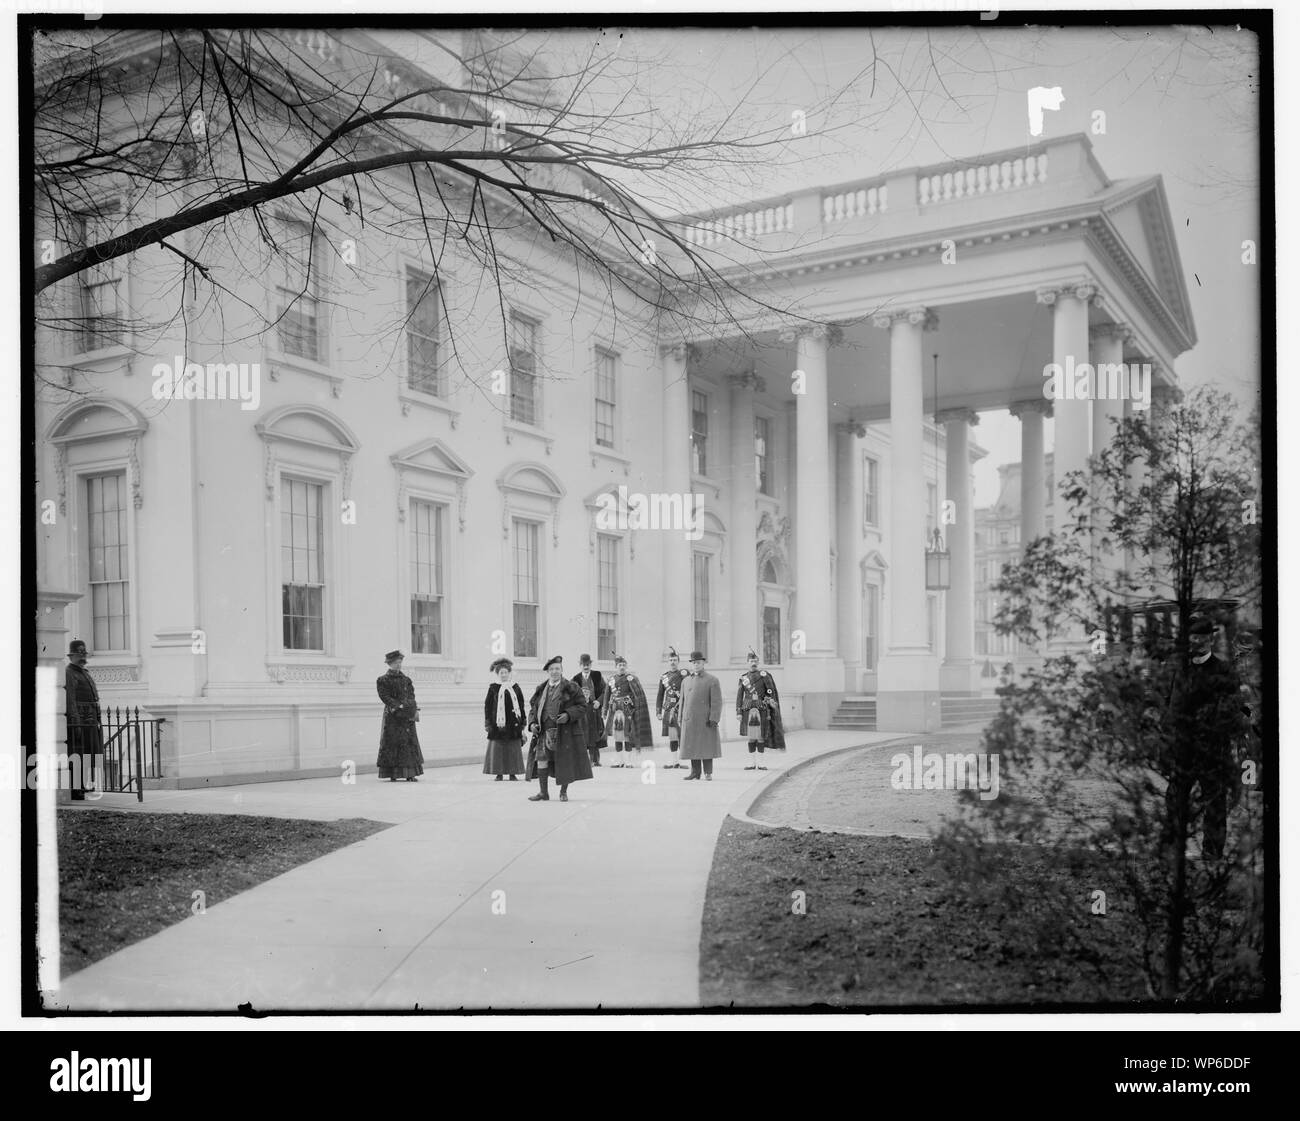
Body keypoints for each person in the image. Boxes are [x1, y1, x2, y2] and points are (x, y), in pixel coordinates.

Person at [1166, 617, 1247, 860]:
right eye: (1193, 638)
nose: (1197, 643)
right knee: (1174, 798)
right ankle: (1174, 850)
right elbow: (1173, 707)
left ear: (1211, 639)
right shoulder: (1182, 670)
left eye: (1202, 638)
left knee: (1214, 802)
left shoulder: (1225, 671)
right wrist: (1173, 738)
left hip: (1212, 749)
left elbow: (1233, 709)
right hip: (1185, 749)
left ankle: (1212, 853)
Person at [526, 655, 594, 802]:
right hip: (544, 731)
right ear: (548, 672)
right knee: (542, 760)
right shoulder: (541, 689)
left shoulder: (572, 687)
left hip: (564, 732)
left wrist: (568, 715)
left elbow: (582, 706)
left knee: (564, 761)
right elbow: (533, 709)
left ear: (562, 670)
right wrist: (532, 724)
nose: (554, 672)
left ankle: (563, 792)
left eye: (557, 669)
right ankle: (543, 793)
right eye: (551, 669)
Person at [376, 650, 424, 781]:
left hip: (407, 716)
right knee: (393, 743)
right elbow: (385, 696)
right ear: (389, 664)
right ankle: (393, 774)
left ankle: (410, 774)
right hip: (393, 716)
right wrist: (398, 706)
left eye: (400, 662)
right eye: (396, 662)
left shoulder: (406, 680)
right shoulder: (382, 680)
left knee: (408, 743)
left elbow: (411, 695)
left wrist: (409, 706)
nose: (399, 665)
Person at [736, 648, 786, 770]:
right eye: (751, 661)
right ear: (747, 662)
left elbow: (770, 691)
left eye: (755, 661)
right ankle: (752, 762)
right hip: (747, 709)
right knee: (751, 737)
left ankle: (761, 763)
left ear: (758, 662)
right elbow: (739, 696)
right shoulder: (743, 678)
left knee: (761, 736)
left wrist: (768, 701)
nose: (753, 663)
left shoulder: (764, 675)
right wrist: (738, 712)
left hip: (762, 709)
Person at [65, 639, 103, 800]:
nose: (82, 657)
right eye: (78, 654)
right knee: (78, 753)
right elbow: (70, 698)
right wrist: (76, 720)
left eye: (83, 654)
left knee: (90, 752)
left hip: (91, 718)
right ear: (71, 656)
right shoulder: (69, 672)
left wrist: (98, 717)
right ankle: (76, 788)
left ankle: (85, 784)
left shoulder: (84, 672)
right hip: (80, 719)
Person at [601, 653, 652, 767]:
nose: (622, 667)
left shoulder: (631, 678)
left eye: (624, 664)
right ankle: (620, 761)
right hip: (615, 712)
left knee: (627, 736)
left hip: (628, 712)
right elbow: (606, 696)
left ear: (626, 666)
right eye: (619, 665)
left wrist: (634, 708)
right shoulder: (611, 679)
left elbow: (637, 696)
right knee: (618, 737)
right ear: (616, 667)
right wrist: (604, 711)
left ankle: (628, 762)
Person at [679, 651, 722, 781]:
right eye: (694, 663)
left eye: (698, 662)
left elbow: (716, 701)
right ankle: (695, 772)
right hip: (690, 720)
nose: (696, 665)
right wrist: (681, 717)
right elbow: (682, 701)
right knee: (692, 746)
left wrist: (714, 718)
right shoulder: (686, 680)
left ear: (703, 663)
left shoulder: (712, 680)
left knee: (706, 746)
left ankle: (708, 773)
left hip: (705, 720)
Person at [483, 658, 527, 781]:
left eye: (505, 672)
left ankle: (513, 773)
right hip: (498, 724)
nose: (503, 675)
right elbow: (488, 706)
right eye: (501, 673)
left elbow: (521, 704)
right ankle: (499, 773)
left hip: (514, 723)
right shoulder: (493, 688)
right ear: (498, 674)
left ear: (509, 673)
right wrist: (488, 723)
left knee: (513, 747)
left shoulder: (516, 687)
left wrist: (523, 720)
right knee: (498, 748)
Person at [572, 654, 606, 767]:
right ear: (580, 665)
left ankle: (595, 759)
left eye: (588, 664)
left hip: (594, 709)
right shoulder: (576, 679)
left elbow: (605, 691)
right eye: (583, 665)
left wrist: (599, 701)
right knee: (583, 734)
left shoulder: (597, 676)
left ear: (590, 665)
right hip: (582, 711)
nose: (586, 667)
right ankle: (584, 760)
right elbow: (571, 694)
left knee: (594, 733)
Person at [656, 646, 686, 769]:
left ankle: (681, 760)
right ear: (668, 662)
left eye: (675, 660)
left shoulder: (684, 674)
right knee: (672, 736)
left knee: (682, 736)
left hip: (681, 709)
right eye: (671, 660)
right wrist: (658, 711)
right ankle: (674, 762)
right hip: (669, 709)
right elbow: (660, 695)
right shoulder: (664, 677)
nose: (673, 662)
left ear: (678, 661)